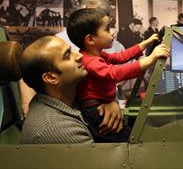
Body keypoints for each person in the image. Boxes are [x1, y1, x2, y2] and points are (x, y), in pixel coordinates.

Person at [66, 8, 170, 142]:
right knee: (130, 139)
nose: (113, 32)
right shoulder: (90, 61)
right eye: (107, 29)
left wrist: (145, 43)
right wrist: (149, 60)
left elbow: (119, 57)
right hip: (95, 109)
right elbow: (115, 73)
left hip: (103, 104)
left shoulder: (96, 54)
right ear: (91, 39)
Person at [20, 36, 94, 144]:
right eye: (67, 56)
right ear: (51, 78)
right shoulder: (59, 129)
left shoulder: (64, 98)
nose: (79, 56)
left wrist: (111, 102)